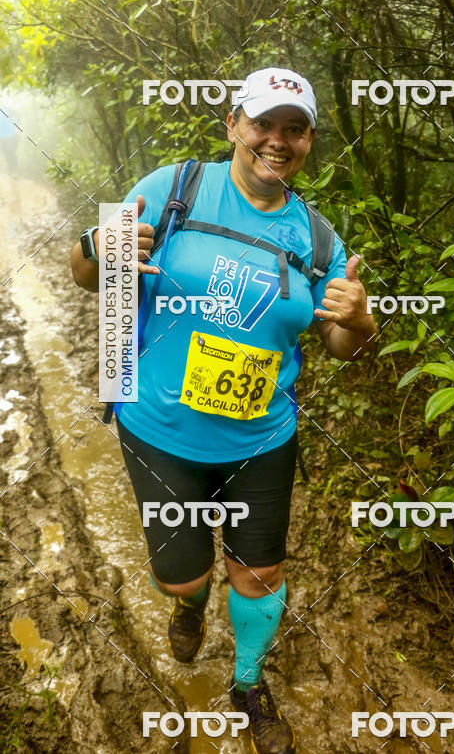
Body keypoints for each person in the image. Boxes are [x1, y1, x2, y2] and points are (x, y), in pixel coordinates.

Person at [70, 67, 377, 754]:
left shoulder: (318, 238)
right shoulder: (172, 189)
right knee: (184, 573)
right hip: (160, 428)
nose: (277, 140)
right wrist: (99, 249)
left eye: (294, 129)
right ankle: (189, 604)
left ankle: (246, 681)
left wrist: (361, 320)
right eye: (263, 123)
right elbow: (91, 275)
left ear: (308, 143)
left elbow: (340, 342)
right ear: (234, 125)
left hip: (262, 437)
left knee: (259, 573)